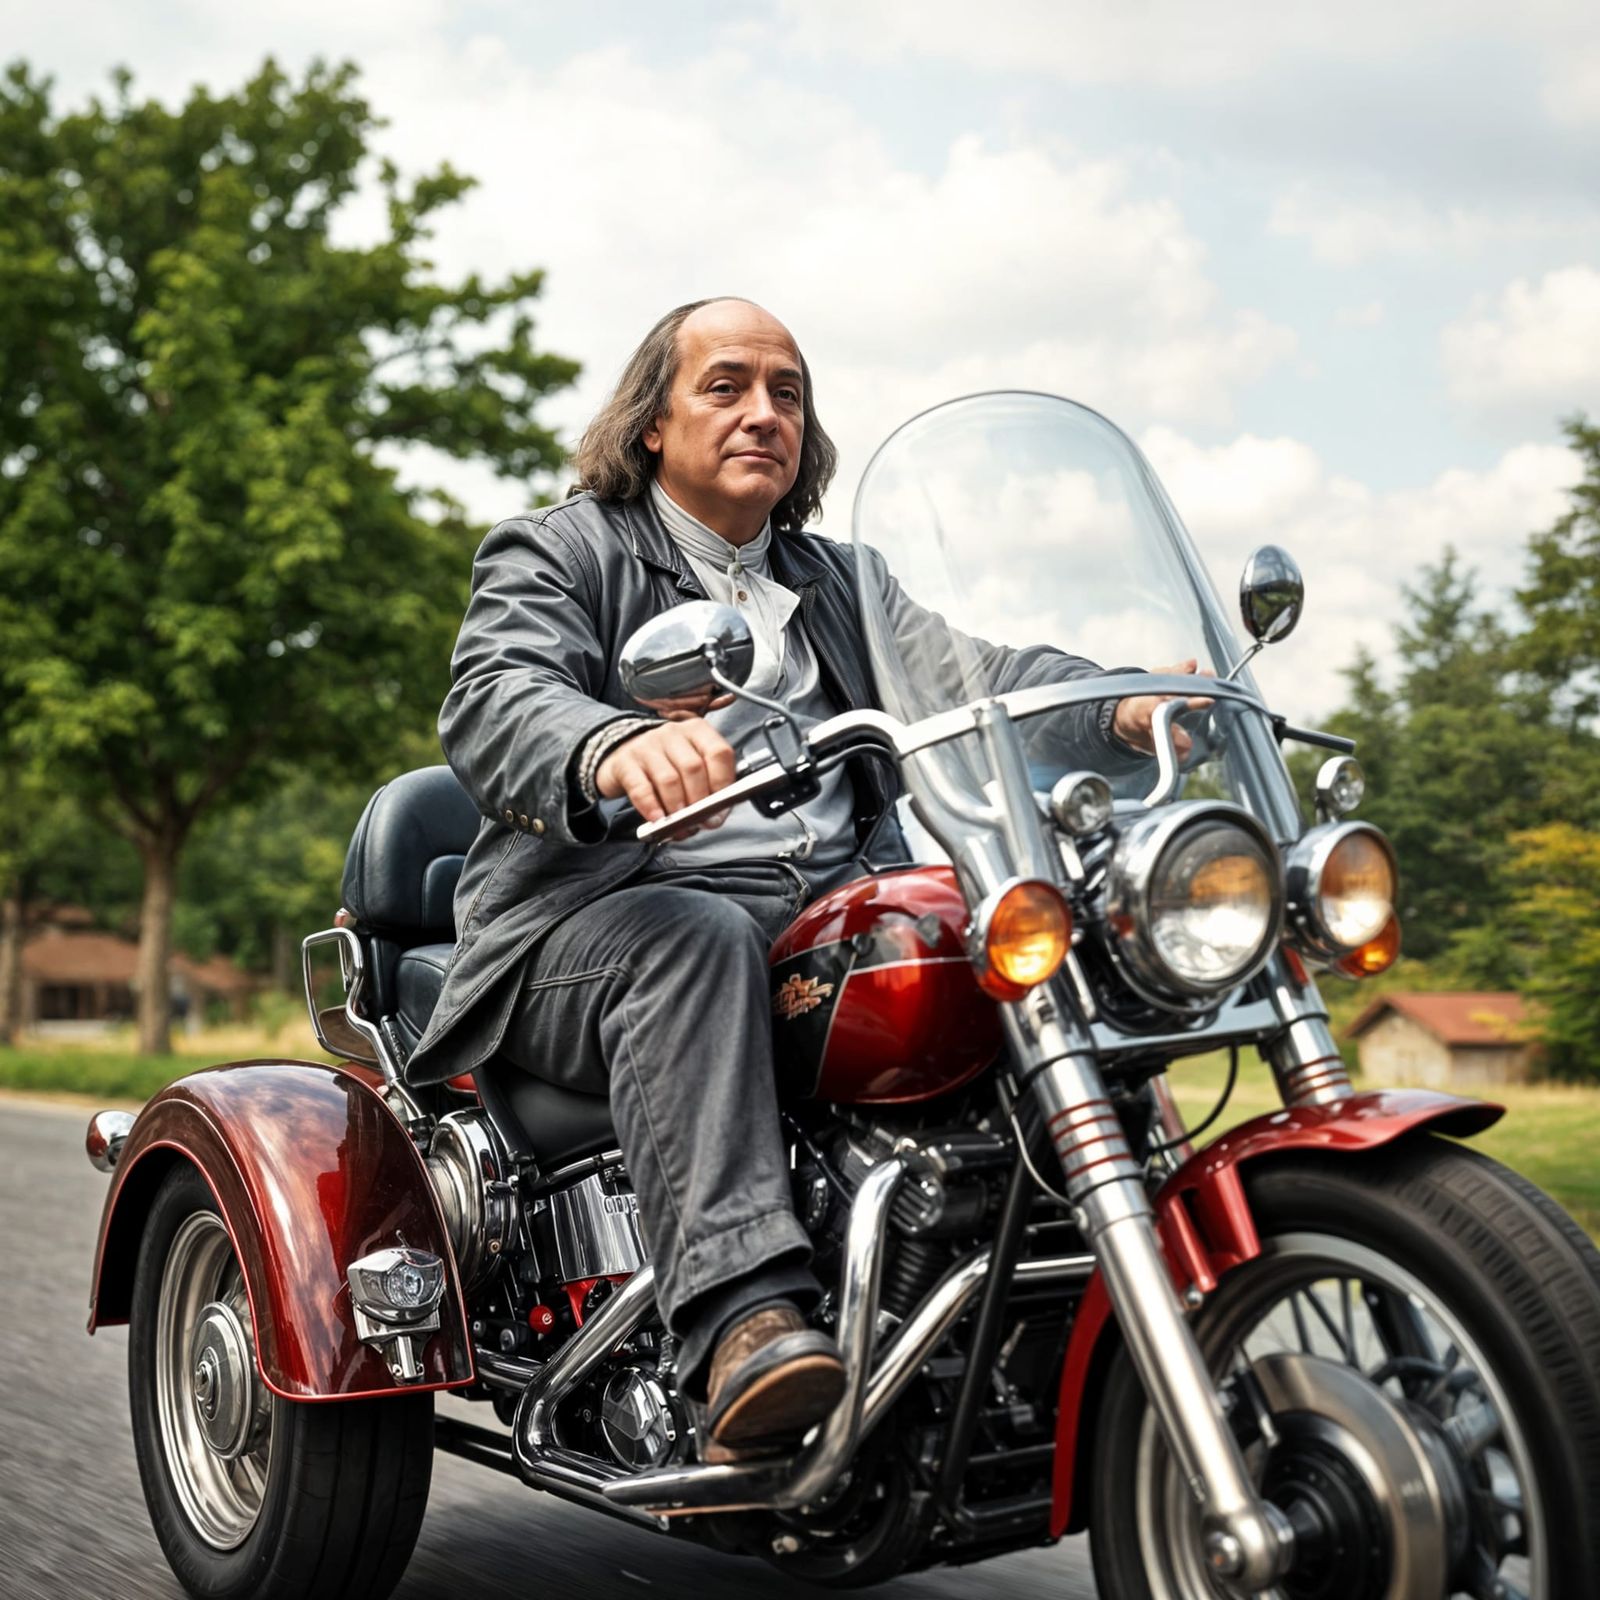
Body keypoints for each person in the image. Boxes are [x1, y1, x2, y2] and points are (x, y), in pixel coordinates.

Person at [405, 297, 1192, 1456]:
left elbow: (976, 675)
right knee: (692, 936)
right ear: (650, 427)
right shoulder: (562, 548)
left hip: (811, 926)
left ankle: (1115, 1275)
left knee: (1023, 935)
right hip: (588, 928)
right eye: (725, 386)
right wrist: (606, 743)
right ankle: (742, 1323)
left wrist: (1115, 701)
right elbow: (496, 693)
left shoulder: (836, 583)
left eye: (787, 392)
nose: (762, 411)